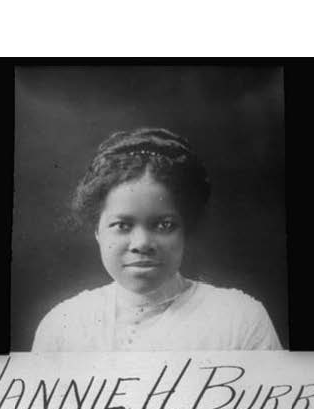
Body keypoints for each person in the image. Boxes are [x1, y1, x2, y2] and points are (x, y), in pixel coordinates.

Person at [31, 128, 282, 352]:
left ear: (185, 228)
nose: (141, 243)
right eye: (122, 225)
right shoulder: (62, 328)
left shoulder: (239, 319)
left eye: (164, 225)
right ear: (98, 232)